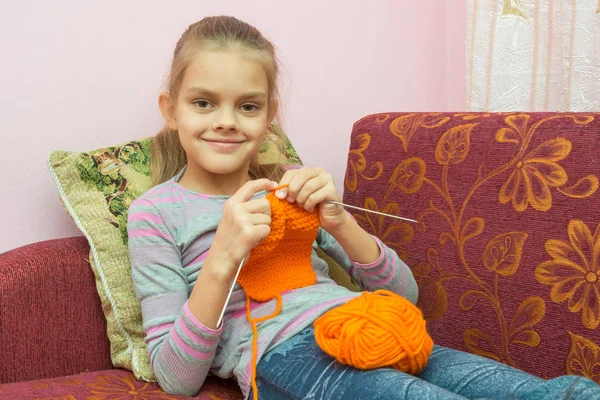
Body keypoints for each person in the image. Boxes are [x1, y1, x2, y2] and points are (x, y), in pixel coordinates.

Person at [127, 15, 600, 400]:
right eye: (204, 102)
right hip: (282, 354)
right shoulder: (155, 213)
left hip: (370, 324)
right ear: (171, 110)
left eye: (248, 106)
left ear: (269, 115)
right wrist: (224, 254)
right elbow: (176, 377)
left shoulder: (288, 188)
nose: (227, 122)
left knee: (560, 393)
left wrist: (339, 219)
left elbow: (404, 295)